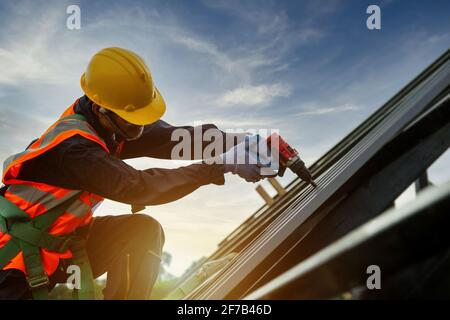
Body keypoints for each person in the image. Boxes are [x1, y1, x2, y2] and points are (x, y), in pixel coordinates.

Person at [0, 47, 270, 299]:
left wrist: (240, 142)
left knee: (142, 232)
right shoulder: (75, 148)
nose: (137, 132)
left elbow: (173, 139)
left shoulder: (110, 122)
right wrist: (222, 165)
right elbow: (138, 187)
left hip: (59, 245)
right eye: (132, 125)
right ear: (100, 109)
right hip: (11, 265)